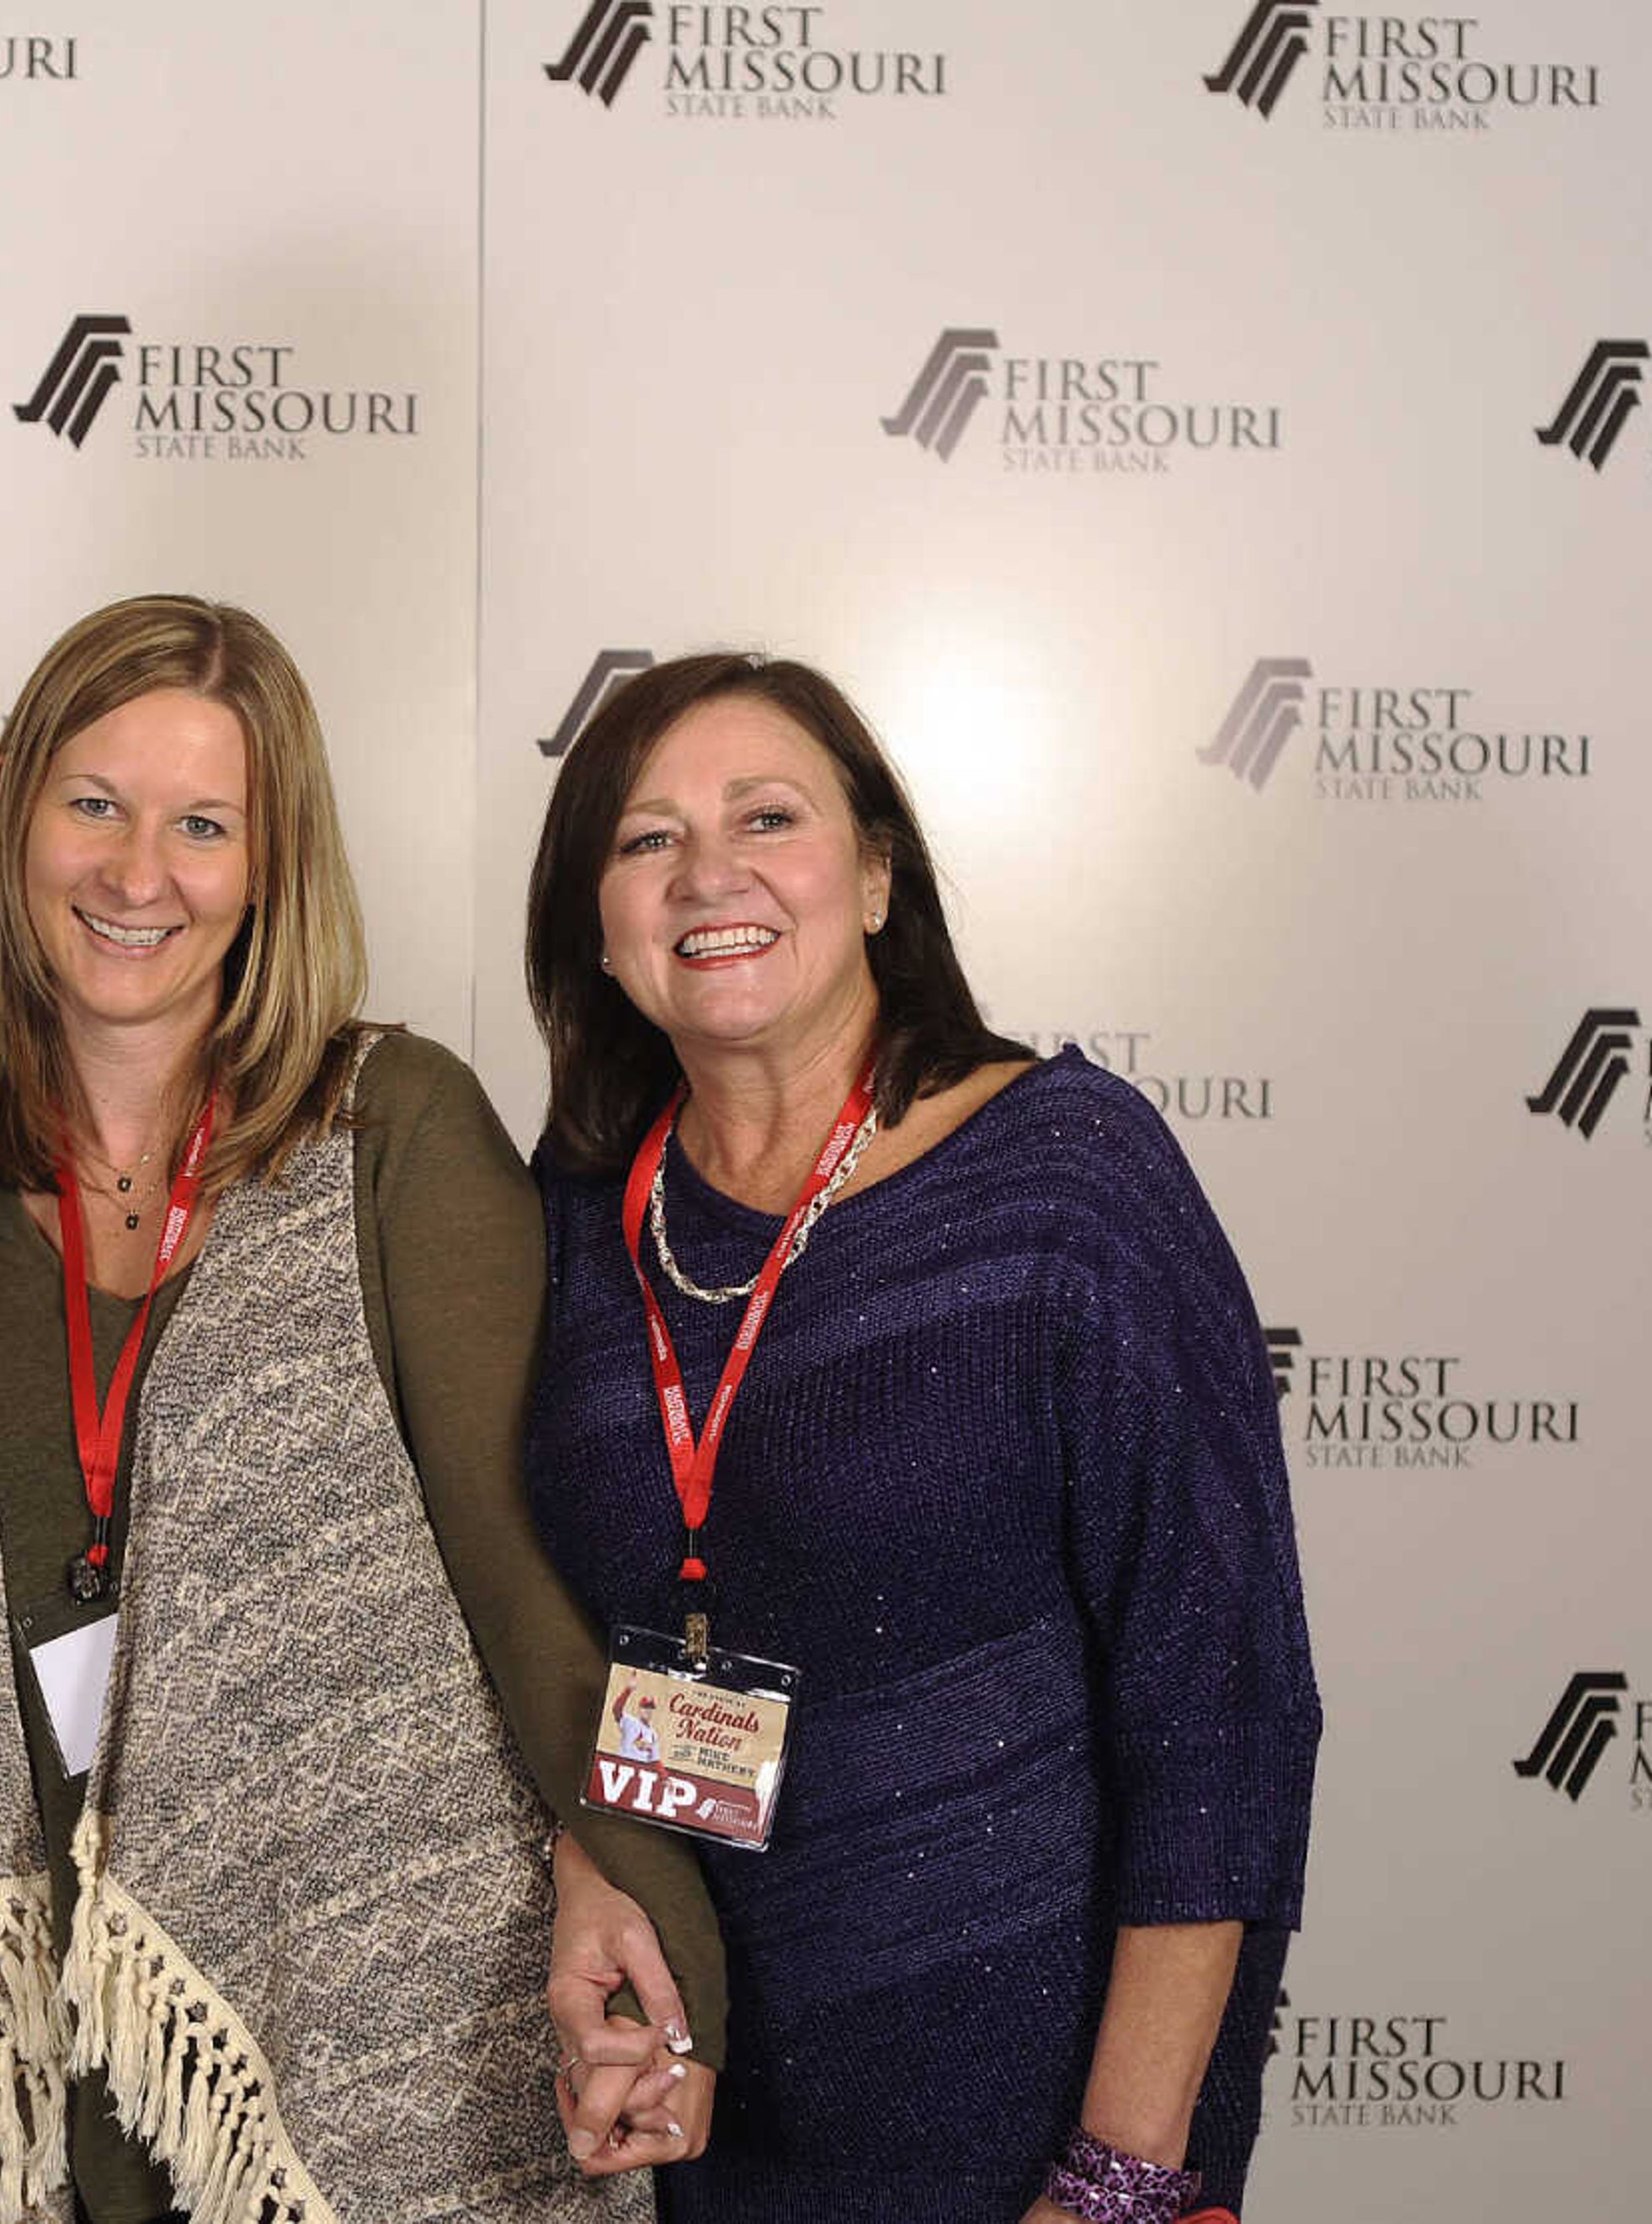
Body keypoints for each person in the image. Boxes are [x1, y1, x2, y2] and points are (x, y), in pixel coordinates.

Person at [0, 595, 724, 2224]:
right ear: (11, 814)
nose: (141, 874)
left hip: (407, 2010)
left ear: (269, 867)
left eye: (203, 824)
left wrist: (628, 1883)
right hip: (69, 2037)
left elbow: (528, 1569)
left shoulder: (388, 1124)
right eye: (96, 805)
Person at [517, 653, 1321, 2223]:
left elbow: (1224, 1717)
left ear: (878, 874)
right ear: (599, 932)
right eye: (646, 839)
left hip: (1039, 2141)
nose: (710, 873)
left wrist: (1117, 2181)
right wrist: (595, 1871)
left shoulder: (1067, 1183)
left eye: (767, 815)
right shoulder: (580, 1215)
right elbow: (555, 1627)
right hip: (694, 2134)